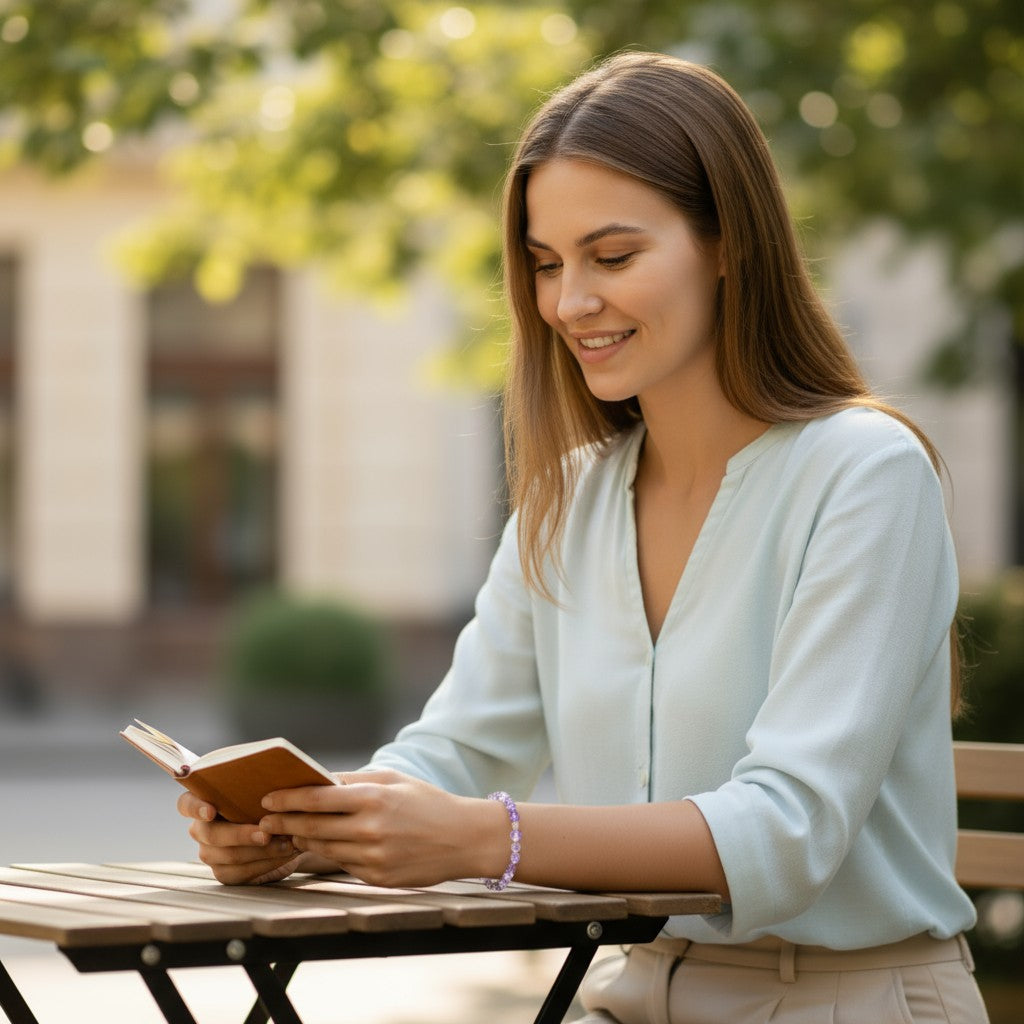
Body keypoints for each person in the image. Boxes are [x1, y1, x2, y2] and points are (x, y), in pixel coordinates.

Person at [179, 52, 989, 1023]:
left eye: (611, 257)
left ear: (727, 243)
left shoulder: (864, 474)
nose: (568, 303)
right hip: (630, 990)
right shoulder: (566, 501)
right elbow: (457, 753)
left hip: (848, 1000)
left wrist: (488, 839)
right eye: (546, 264)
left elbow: (786, 830)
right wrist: (310, 825)